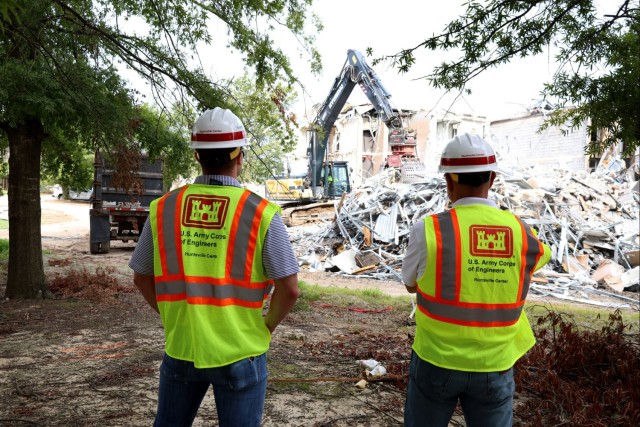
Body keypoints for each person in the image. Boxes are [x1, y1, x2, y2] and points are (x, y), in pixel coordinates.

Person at [128, 107, 300, 427]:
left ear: (197, 156)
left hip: (182, 346)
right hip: (241, 351)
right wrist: (265, 328)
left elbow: (141, 277)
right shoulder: (262, 213)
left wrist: (174, 318)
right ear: (240, 156)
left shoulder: (164, 208)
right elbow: (289, 289)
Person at [401, 133, 551, 427]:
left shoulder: (429, 230)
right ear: (492, 179)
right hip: (494, 364)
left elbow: (410, 284)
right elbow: (539, 258)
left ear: (448, 181)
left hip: (436, 360)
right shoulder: (522, 233)